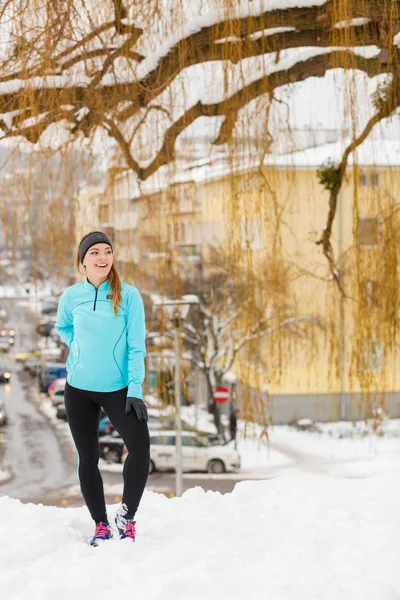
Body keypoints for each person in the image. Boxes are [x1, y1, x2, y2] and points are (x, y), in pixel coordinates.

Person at [55, 231, 149, 546]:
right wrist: (76, 347)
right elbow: (63, 326)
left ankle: (127, 515)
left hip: (118, 388)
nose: (102, 257)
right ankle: (100, 524)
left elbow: (137, 346)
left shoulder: (129, 295)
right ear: (83, 262)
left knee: (141, 448)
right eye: (94, 252)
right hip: (78, 388)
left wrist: (135, 387)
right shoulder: (71, 296)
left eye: (107, 251)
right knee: (88, 458)